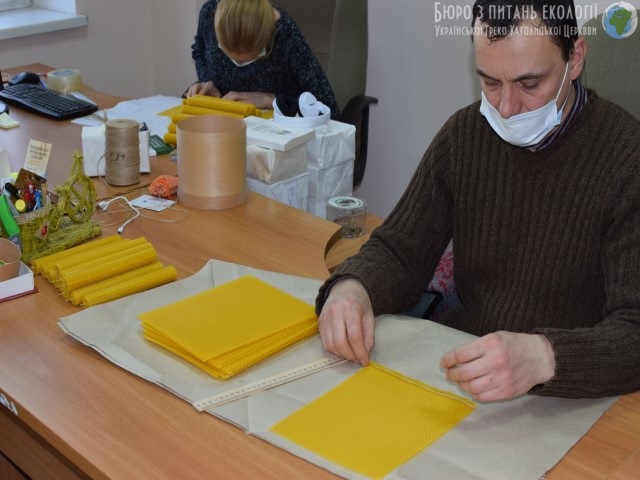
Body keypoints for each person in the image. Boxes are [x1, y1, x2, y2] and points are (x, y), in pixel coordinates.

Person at [316, 0, 640, 402]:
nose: (506, 108)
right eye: (490, 82)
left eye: (529, 84)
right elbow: (400, 250)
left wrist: (545, 356)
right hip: (465, 371)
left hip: (573, 395)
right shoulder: (464, 136)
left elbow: (634, 329)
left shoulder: (627, 160)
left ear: (574, 59)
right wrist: (353, 287)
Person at [186, 0, 340, 119]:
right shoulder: (209, 14)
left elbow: (328, 107)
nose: (239, 64)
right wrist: (208, 81)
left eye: (252, 58)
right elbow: (199, 50)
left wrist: (271, 100)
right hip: (222, 120)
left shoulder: (285, 34)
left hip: (272, 130)